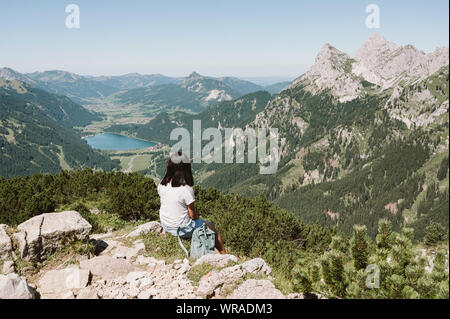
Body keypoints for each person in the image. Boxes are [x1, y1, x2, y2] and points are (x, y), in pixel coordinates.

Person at [157, 151, 226, 254]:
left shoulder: (162, 184)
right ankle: (224, 254)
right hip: (181, 229)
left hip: (166, 225)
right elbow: (192, 215)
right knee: (211, 226)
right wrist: (199, 219)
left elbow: (163, 205)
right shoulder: (186, 189)